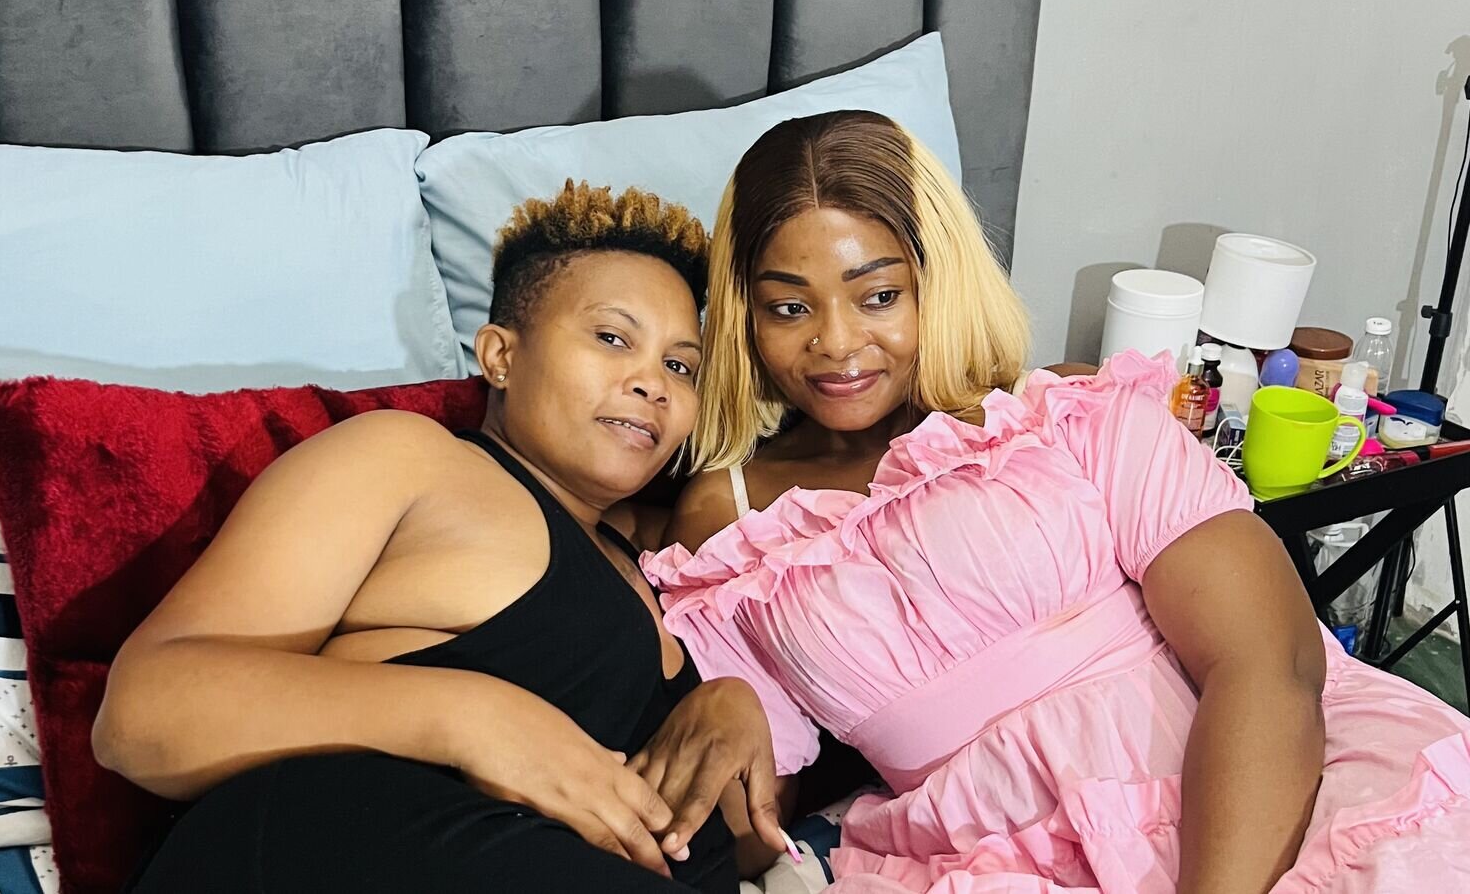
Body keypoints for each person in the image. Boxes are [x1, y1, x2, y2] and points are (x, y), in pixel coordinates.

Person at [649, 110, 1470, 893]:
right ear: (746, 315)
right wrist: (725, 704)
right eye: (790, 307)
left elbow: (1270, 661)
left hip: (1258, 797)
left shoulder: (1065, 415)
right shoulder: (727, 524)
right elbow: (752, 832)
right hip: (982, 860)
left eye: (879, 295)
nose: (835, 341)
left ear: (938, 281)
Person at [94, 181, 786, 893]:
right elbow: (142, 715)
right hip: (333, 841)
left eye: (680, 365)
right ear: (500, 356)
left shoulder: (661, 568)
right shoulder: (410, 460)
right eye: (612, 338)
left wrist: (729, 709)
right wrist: (475, 718)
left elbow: (742, 850)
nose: (654, 384)